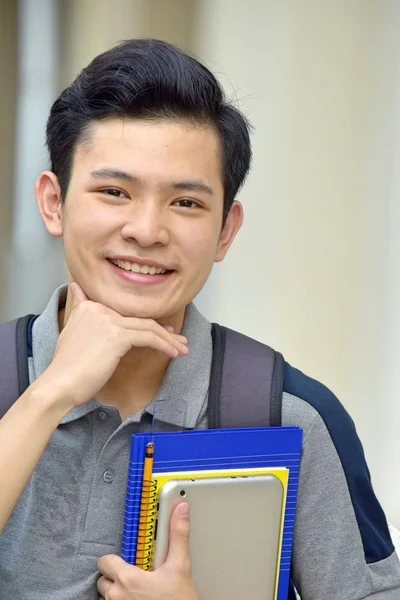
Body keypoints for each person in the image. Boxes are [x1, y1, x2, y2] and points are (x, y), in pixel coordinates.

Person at [0, 38, 399, 600]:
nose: (146, 230)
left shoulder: (290, 418)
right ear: (53, 202)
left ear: (226, 230)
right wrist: (49, 394)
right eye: (114, 191)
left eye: (185, 202)